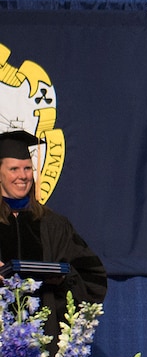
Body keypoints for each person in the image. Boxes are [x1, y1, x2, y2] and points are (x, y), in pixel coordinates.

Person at [0, 130, 107, 336]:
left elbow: (93, 277)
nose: (23, 176)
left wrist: (62, 280)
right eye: (14, 169)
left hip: (45, 339)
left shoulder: (53, 224)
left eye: (27, 168)